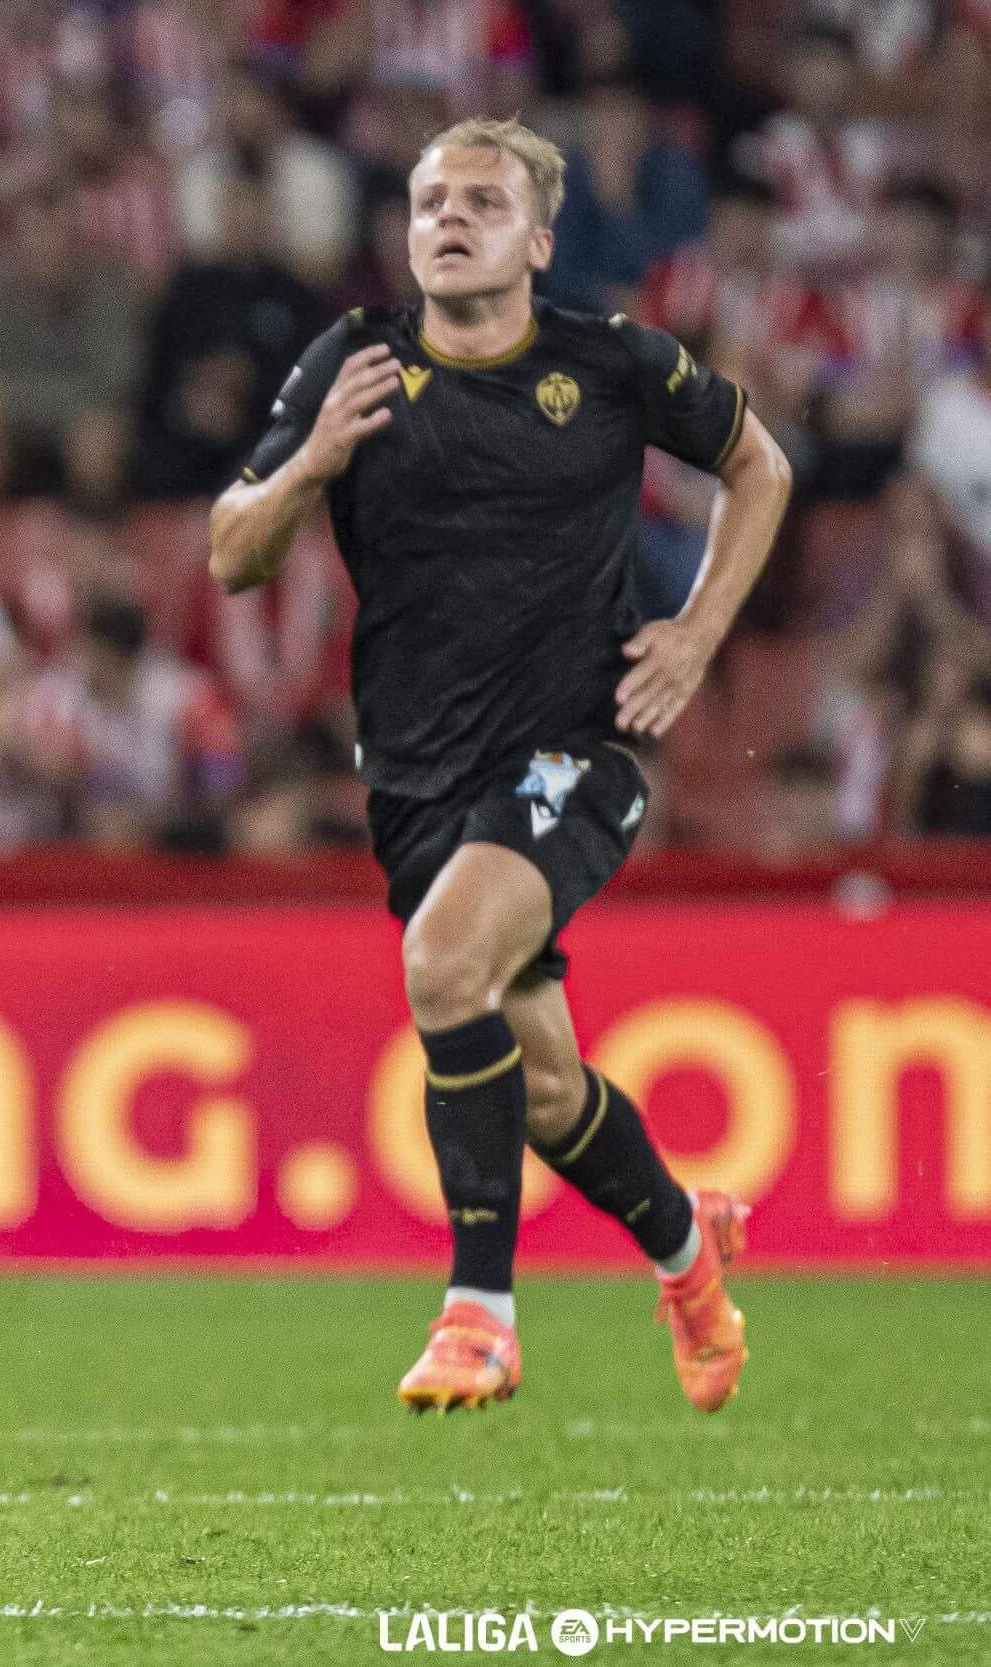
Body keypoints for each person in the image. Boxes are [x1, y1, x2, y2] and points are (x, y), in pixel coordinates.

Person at [207, 118, 794, 1414]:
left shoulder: (615, 363)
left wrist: (695, 630)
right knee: (535, 1083)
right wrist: (312, 462)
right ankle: (692, 1256)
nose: (449, 218)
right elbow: (231, 552)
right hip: (419, 779)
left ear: (538, 239)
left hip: (581, 744)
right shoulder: (350, 364)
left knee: (441, 964)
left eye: (483, 200)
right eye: (428, 201)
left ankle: (480, 1311)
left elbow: (760, 465)